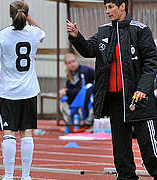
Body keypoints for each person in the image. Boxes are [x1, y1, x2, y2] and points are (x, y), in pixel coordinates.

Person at [66, 0, 157, 179]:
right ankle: (125, 177)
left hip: (139, 99)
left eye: (110, 7)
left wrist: (143, 89)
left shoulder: (140, 30)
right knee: (120, 148)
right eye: (105, 7)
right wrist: (76, 36)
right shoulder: (104, 31)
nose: (107, 11)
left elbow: (151, 63)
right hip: (114, 100)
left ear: (122, 6)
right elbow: (88, 50)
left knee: (149, 146)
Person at [0, 1, 45, 179]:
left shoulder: (1, 35)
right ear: (26, 14)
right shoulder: (34, 33)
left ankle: (9, 175)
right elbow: (40, 31)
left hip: (7, 91)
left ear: (10, 15)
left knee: (9, 132)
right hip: (28, 90)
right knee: (26, 132)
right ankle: (26, 175)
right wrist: (28, 17)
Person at [59, 53, 95, 133]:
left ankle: (87, 123)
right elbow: (72, 89)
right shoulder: (70, 74)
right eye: (69, 63)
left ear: (76, 61)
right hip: (79, 97)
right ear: (66, 64)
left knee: (87, 93)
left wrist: (67, 92)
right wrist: (65, 91)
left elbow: (82, 90)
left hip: (90, 96)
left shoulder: (83, 71)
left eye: (73, 61)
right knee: (63, 100)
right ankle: (69, 124)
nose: (72, 64)